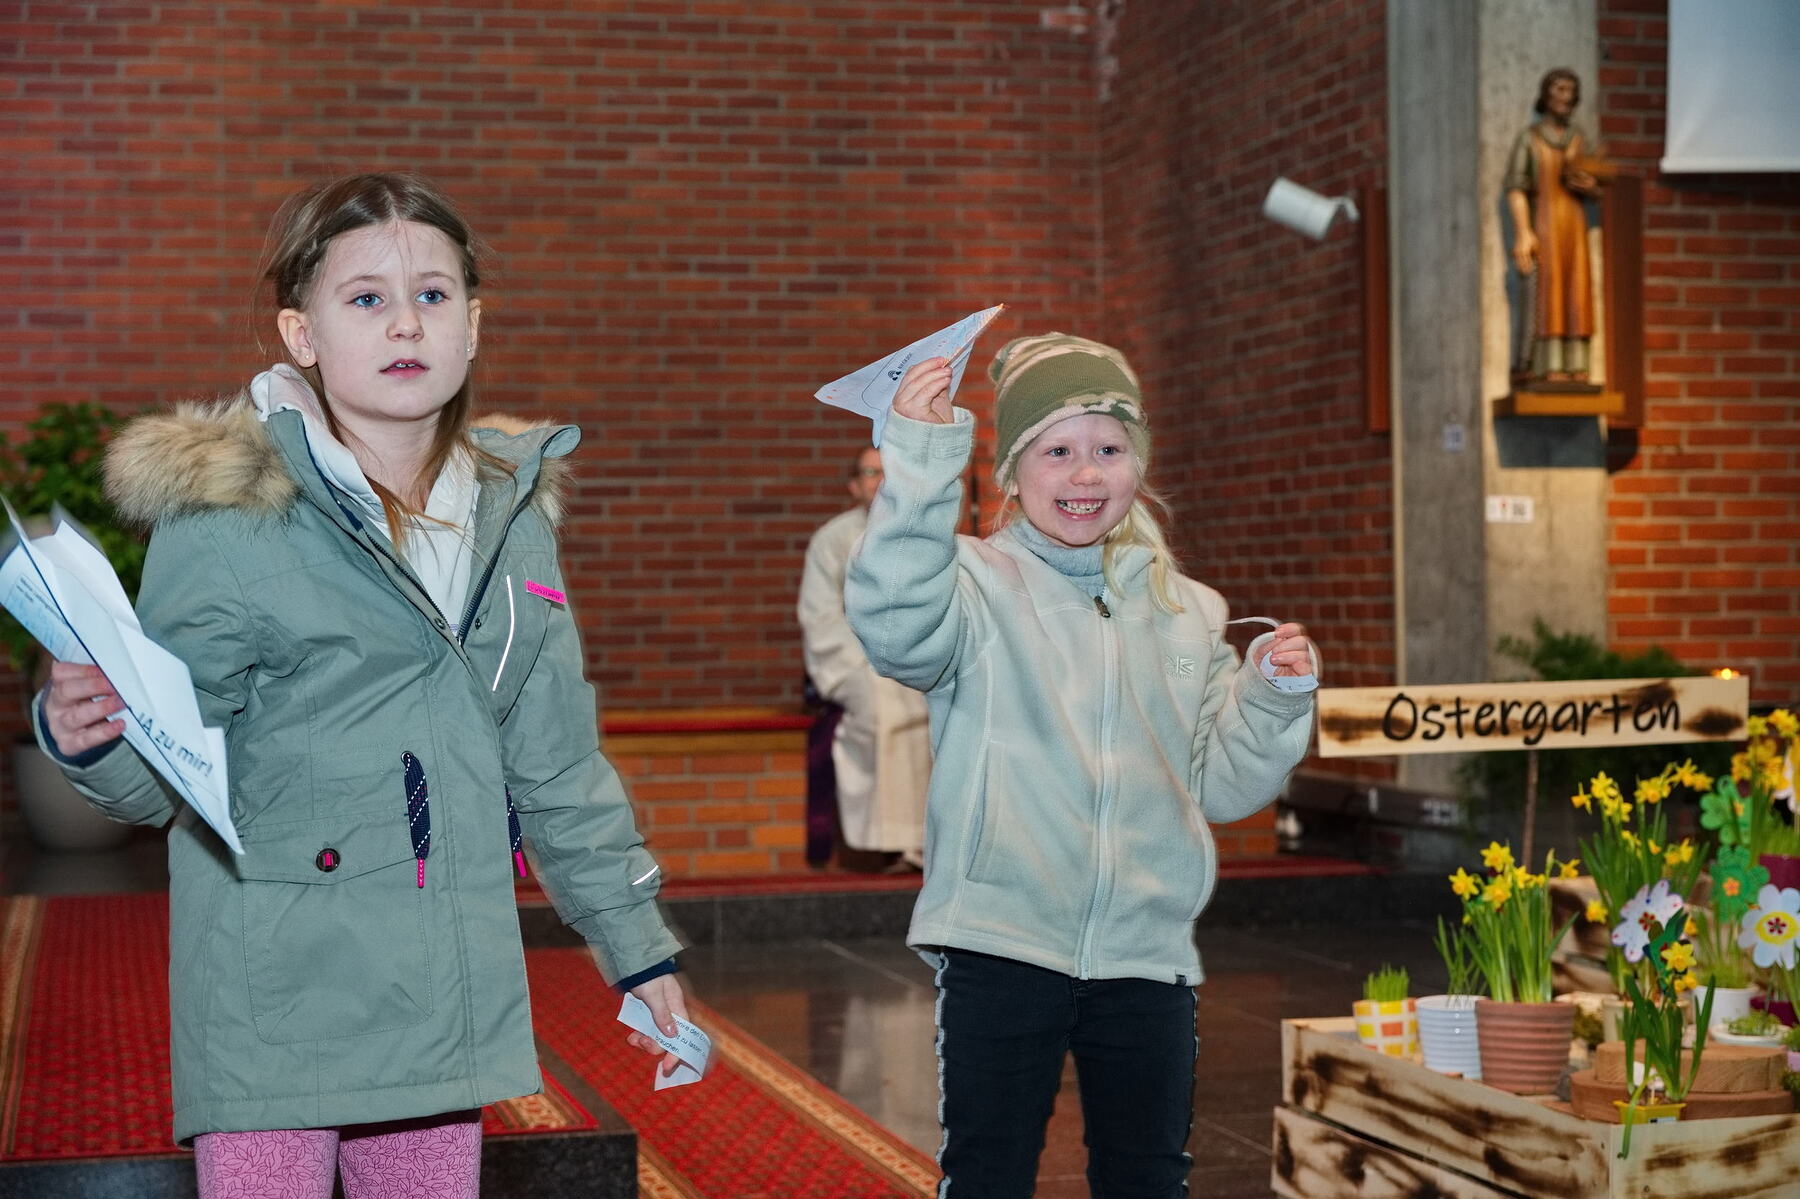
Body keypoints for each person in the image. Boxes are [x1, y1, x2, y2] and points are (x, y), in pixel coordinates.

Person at [35, 173, 687, 1198]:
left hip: (441, 987)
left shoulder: (513, 519)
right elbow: (161, 771)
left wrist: (637, 949)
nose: (406, 322)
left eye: (433, 294)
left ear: (473, 324)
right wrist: (91, 735)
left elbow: (557, 762)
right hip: (276, 991)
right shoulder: (228, 516)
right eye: (367, 297)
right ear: (302, 333)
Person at [846, 333, 1319, 1195]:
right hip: (1000, 942)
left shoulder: (1190, 612)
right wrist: (920, 459)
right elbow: (895, 627)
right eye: (1056, 451)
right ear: (1013, 472)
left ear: (1138, 466)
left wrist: (1272, 699)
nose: (1085, 473)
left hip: (1147, 955)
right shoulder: (972, 586)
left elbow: (1222, 788)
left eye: (1108, 449)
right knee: (989, 1175)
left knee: (1148, 1178)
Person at [797, 446, 929, 871]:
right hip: (855, 663)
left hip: (917, 659)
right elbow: (821, 616)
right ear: (854, 486)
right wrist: (873, 663)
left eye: (887, 471)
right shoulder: (833, 540)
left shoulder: (924, 534)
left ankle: (930, 838)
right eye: (871, 473)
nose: (880, 480)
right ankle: (887, 842)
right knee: (883, 708)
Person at [1506, 67, 1602, 382]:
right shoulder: (1530, 139)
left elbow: (1596, 181)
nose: (1565, 97)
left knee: (1576, 290)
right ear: (1546, 95)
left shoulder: (1578, 139)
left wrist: (1591, 186)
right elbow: (1517, 187)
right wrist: (1523, 231)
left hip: (1574, 224)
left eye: (1570, 91)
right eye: (1559, 89)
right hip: (1545, 222)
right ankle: (1547, 363)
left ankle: (1576, 362)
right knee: (1548, 291)